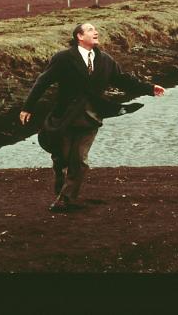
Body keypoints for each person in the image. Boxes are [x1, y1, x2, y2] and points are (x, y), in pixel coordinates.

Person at [18, 22, 165, 213]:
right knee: (61, 157)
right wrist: (27, 107)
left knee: (79, 160)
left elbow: (123, 80)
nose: (96, 32)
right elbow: (43, 81)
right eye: (90, 30)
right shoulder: (63, 58)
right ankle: (61, 186)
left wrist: (150, 88)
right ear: (79, 36)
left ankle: (65, 199)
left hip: (91, 117)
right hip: (64, 116)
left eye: (96, 30)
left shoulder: (105, 60)